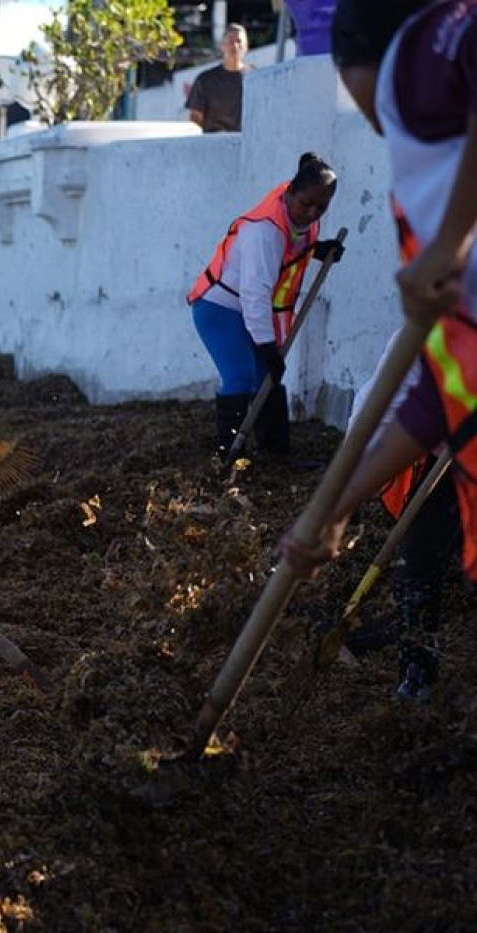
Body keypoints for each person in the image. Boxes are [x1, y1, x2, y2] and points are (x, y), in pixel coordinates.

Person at [282, 0, 476, 701]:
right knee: (424, 549)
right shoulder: (422, 194)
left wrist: (450, 244)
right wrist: (337, 507)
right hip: (440, 455)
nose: (373, 115)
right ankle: (416, 677)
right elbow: (440, 387)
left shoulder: (421, 59)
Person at [187, 153, 345, 462]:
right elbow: (255, 295)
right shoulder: (264, 233)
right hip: (219, 308)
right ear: (289, 193)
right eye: (306, 204)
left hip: (246, 307)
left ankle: (275, 451)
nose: (312, 213)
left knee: (267, 377)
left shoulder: (297, 212)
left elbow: (293, 244)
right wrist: (267, 346)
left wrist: (316, 249)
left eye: (321, 207)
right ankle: (228, 456)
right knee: (241, 375)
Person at [186, 24, 252, 133]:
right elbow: (195, 118)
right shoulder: (205, 80)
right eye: (230, 41)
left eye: (239, 41)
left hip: (246, 142)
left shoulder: (256, 78)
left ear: (246, 46)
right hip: (214, 142)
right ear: (222, 46)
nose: (235, 46)